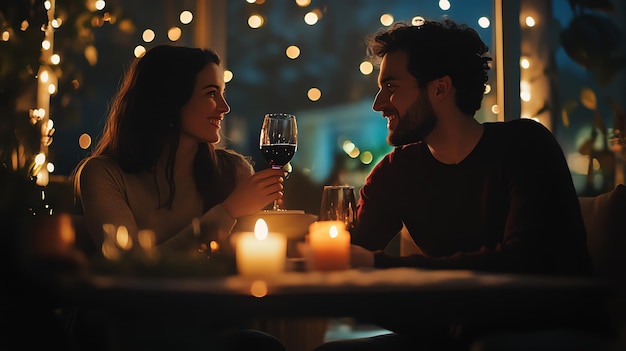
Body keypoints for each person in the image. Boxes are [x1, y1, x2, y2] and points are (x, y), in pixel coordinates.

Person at [315, 19, 603, 351]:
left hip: (548, 330)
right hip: (453, 335)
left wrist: (378, 265)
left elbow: (523, 264)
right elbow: (348, 251)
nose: (378, 103)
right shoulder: (396, 172)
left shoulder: (525, 145)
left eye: (391, 86)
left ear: (440, 88)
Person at [71, 45, 286, 351]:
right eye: (211, 93)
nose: (224, 107)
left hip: (208, 326)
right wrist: (228, 212)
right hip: (126, 333)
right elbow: (131, 273)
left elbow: (252, 263)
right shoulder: (103, 174)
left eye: (223, 92)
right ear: (169, 100)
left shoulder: (233, 171)